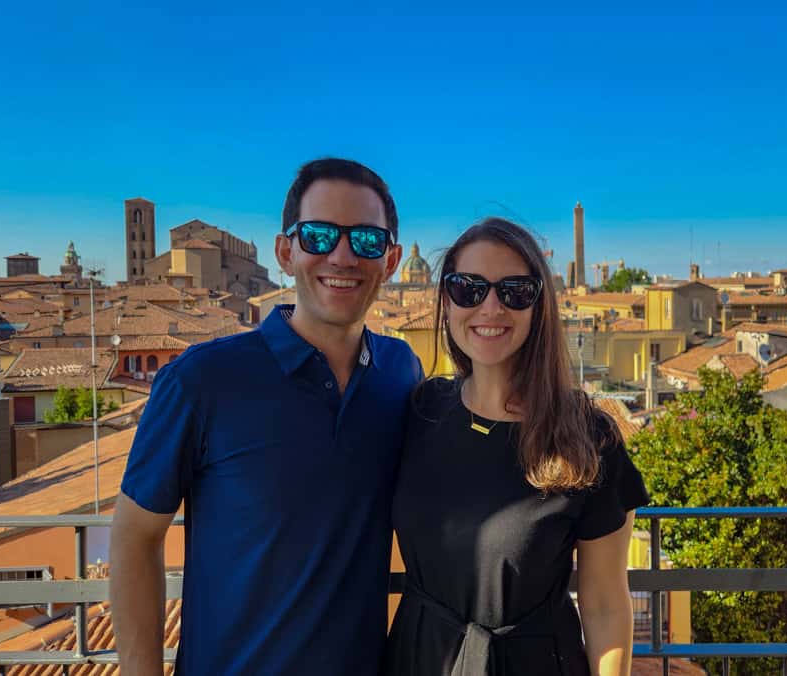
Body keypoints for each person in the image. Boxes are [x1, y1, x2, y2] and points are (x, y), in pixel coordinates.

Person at [109, 158, 422, 674]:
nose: (342, 256)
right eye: (319, 235)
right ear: (286, 251)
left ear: (389, 260)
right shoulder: (201, 380)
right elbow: (135, 536)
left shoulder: (400, 371)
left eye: (366, 240)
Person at [383, 217, 649, 676]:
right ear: (446, 300)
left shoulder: (589, 437)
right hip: (421, 658)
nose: (490, 307)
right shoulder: (420, 411)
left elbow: (605, 603)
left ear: (538, 306)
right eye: (469, 288)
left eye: (514, 291)